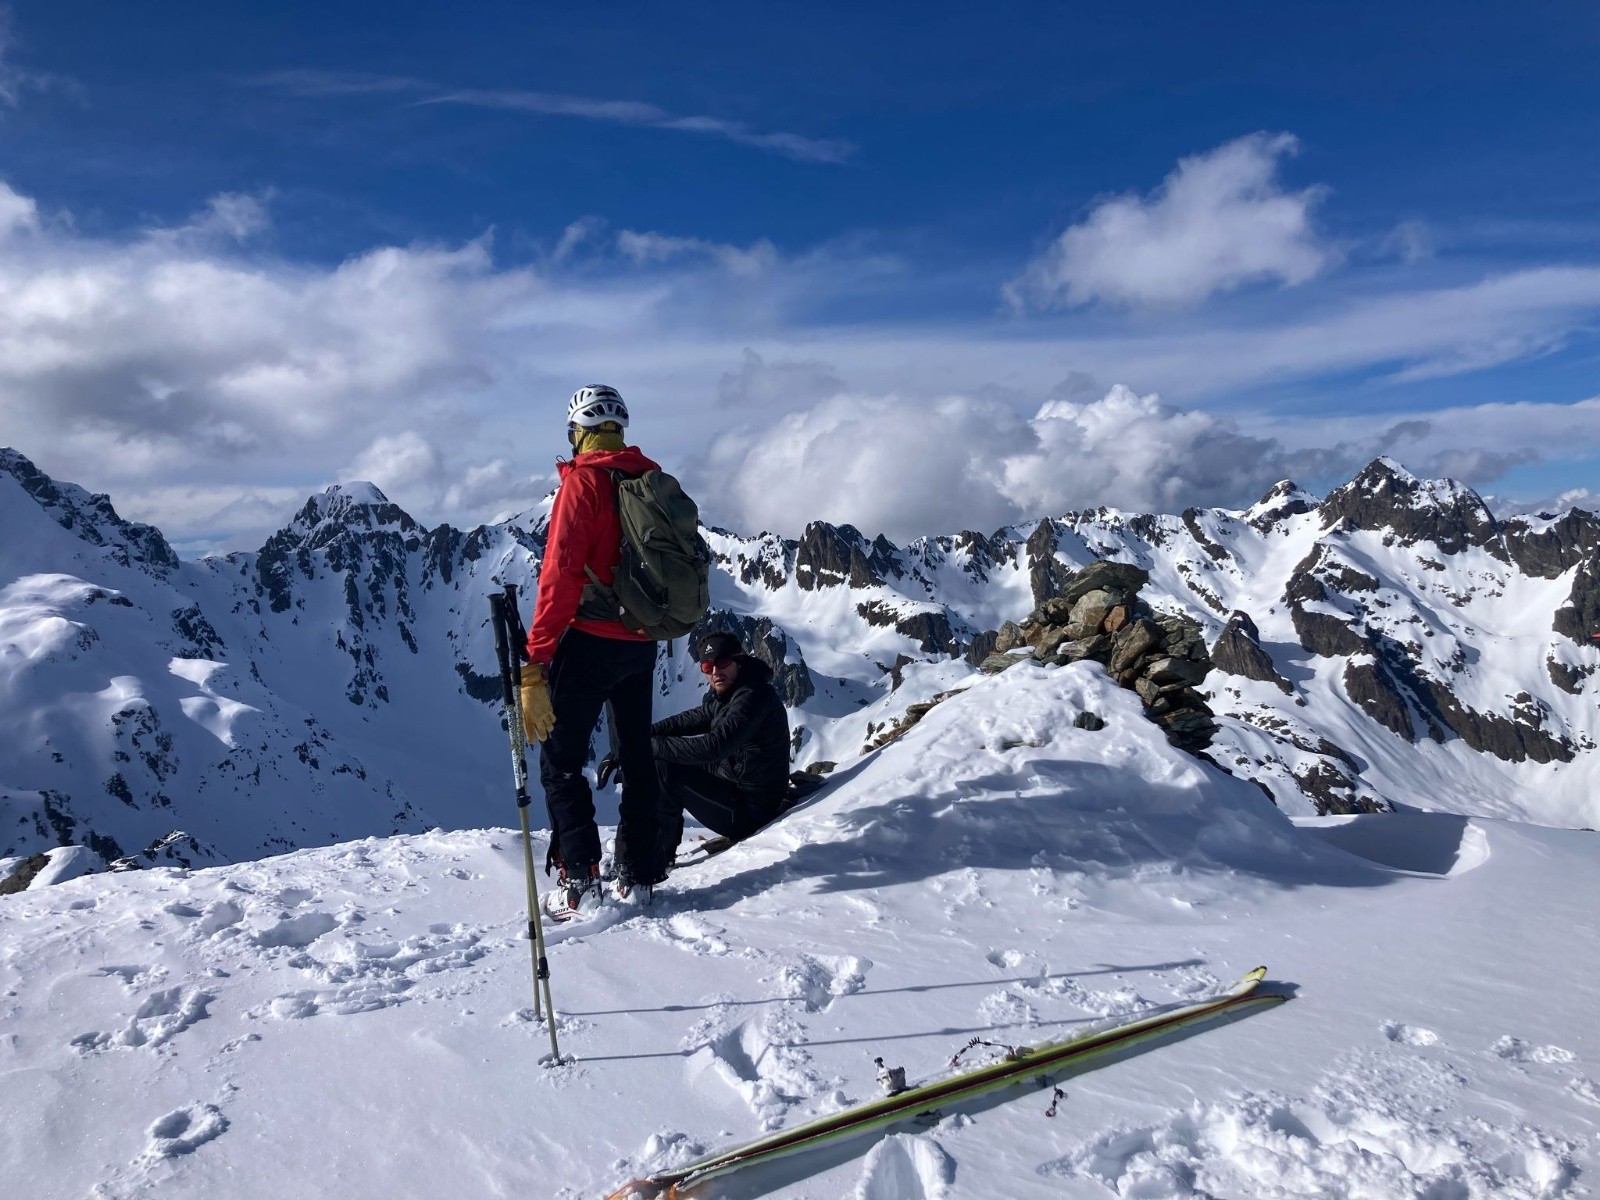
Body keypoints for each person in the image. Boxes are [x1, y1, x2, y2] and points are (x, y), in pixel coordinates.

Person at [520, 384, 663, 918]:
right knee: (636, 757)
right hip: (642, 640)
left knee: (560, 763)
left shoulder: (583, 483)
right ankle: (639, 875)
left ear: (576, 432)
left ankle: (580, 880)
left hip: (589, 642)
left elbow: (560, 576)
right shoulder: (648, 478)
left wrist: (535, 661)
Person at [648, 630, 792, 875]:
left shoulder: (752, 697)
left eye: (723, 663)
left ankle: (656, 861)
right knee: (663, 758)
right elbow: (696, 717)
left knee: (666, 769)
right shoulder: (732, 691)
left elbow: (713, 747)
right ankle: (653, 850)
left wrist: (642, 746)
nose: (715, 672)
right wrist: (643, 735)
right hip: (735, 782)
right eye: (707, 666)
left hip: (750, 812)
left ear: (738, 660)